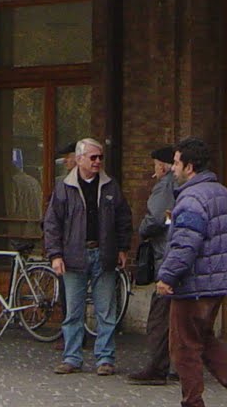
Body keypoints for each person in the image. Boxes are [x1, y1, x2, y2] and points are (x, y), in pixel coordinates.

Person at [155, 138, 227, 407]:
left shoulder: (191, 198)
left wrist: (167, 276)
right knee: (202, 336)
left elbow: (185, 244)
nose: (173, 168)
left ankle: (194, 401)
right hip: (218, 280)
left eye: (177, 163)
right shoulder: (222, 193)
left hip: (194, 282)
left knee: (183, 347)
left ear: (190, 166)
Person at [44, 137, 132, 376]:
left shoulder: (111, 186)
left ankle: (105, 358)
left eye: (100, 157)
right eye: (93, 157)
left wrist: (123, 248)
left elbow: (124, 219)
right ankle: (72, 357)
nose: (97, 162)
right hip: (74, 255)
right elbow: (52, 224)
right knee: (73, 310)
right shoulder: (64, 187)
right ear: (79, 159)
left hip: (104, 254)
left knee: (106, 310)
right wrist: (55, 255)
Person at [126, 145, 178, 386]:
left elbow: (159, 217)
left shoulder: (166, 184)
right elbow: (169, 216)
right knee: (179, 316)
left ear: (163, 165)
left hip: (166, 256)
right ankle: (178, 365)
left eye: (155, 164)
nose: (153, 170)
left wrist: (145, 228)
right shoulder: (181, 186)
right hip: (175, 255)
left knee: (160, 316)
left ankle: (158, 367)